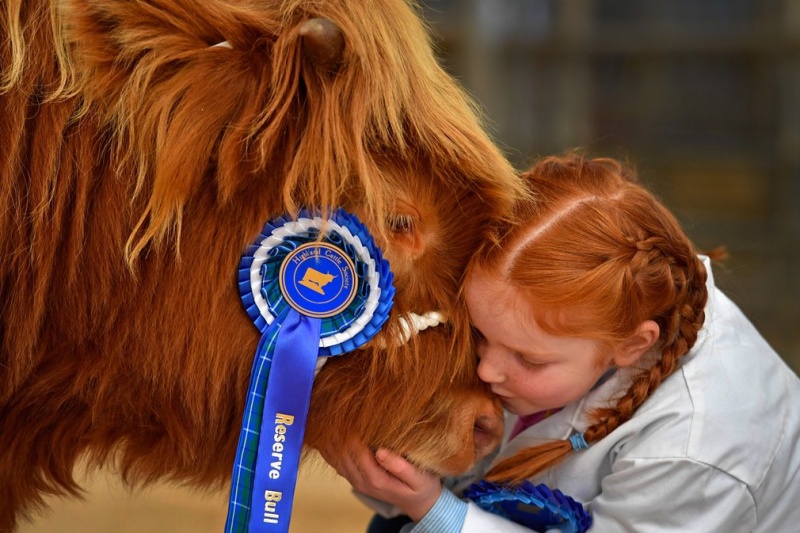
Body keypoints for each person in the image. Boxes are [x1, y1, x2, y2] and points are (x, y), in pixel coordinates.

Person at [322, 153, 800, 532]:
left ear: (632, 346)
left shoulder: (698, 450)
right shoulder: (584, 317)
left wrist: (433, 510)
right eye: (481, 336)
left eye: (529, 358)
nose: (487, 370)